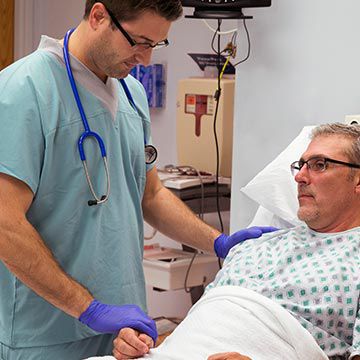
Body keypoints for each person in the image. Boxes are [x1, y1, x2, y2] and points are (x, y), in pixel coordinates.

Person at [0, 1, 277, 359]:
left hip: (125, 330)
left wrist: (219, 242)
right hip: (46, 332)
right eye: (139, 42)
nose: (145, 59)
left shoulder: (132, 94)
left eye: (156, 46)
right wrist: (88, 309)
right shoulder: (22, 90)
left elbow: (151, 195)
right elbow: (5, 224)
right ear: (99, 16)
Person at [111, 123, 360, 360]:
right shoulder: (257, 245)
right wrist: (143, 344)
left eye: (319, 165)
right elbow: (199, 330)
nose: (300, 177)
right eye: (301, 165)